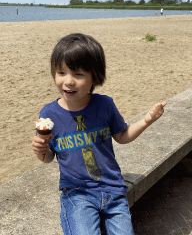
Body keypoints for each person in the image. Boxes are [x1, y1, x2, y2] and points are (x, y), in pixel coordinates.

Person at [32, 33, 166, 235]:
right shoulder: (48, 115)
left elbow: (122, 136)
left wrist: (147, 120)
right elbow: (48, 157)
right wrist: (40, 150)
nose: (68, 81)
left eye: (78, 74)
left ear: (94, 76)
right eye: (61, 73)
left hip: (113, 190)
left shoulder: (105, 105)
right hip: (77, 192)